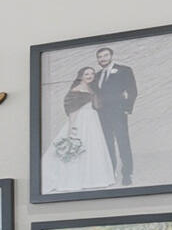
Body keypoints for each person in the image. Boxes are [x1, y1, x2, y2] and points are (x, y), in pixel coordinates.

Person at [47, 64, 119, 196]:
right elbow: (72, 110)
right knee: (80, 147)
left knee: (94, 147)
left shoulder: (91, 88)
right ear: (81, 76)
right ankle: (74, 179)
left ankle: (94, 179)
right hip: (82, 120)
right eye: (87, 74)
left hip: (93, 119)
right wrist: (72, 128)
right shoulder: (76, 90)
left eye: (92, 73)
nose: (90, 76)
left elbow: (96, 104)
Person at [90, 46, 139, 185]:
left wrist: (127, 109)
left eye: (105, 56)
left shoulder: (124, 70)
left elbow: (133, 91)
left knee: (123, 142)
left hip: (118, 112)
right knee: (107, 144)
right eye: (100, 57)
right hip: (102, 115)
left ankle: (127, 174)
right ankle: (110, 172)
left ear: (111, 56)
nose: (102, 59)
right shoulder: (97, 75)